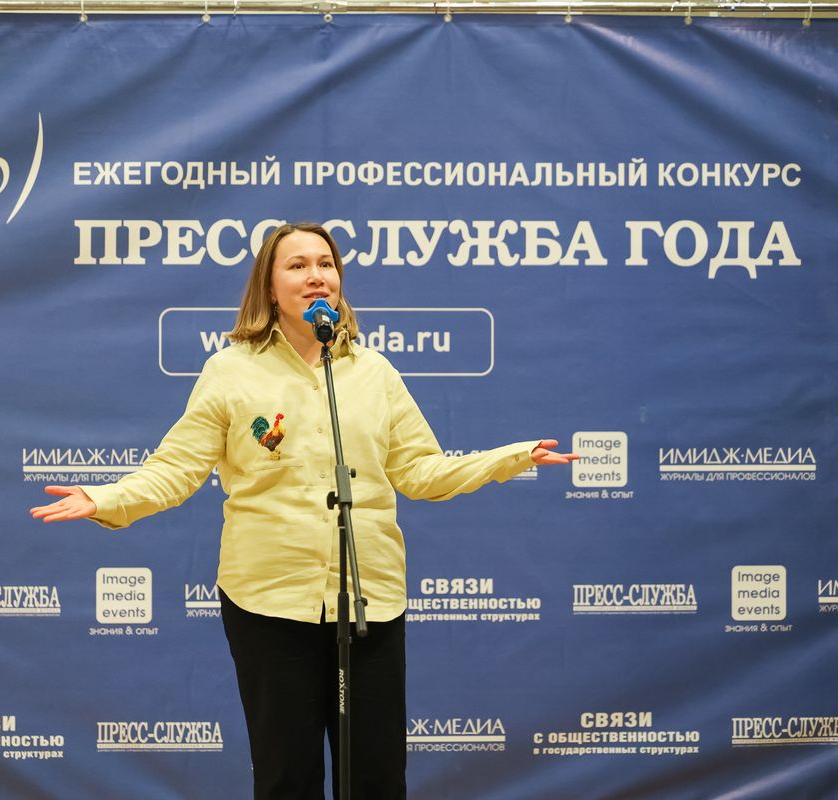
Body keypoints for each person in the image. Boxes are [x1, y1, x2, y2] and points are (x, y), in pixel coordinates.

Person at [31, 222, 579, 800]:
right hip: (268, 600)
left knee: (376, 779)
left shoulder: (374, 373)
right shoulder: (231, 371)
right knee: (286, 779)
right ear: (269, 287)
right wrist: (105, 498)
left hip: (368, 599)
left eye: (326, 264)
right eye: (297, 265)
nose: (316, 276)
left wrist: (511, 458)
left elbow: (421, 471)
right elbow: (177, 468)